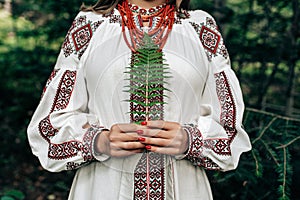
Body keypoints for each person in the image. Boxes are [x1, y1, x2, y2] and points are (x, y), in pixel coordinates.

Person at [27, 0, 252, 199]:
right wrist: (99, 141)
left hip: (184, 188)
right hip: (103, 187)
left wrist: (189, 140)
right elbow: (49, 125)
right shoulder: (90, 26)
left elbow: (230, 130)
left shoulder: (200, 27)